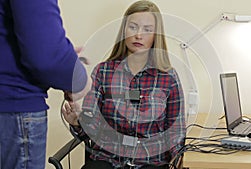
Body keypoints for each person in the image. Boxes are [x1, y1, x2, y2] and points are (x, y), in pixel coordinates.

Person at [62, 0, 186, 168]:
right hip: (108, 160)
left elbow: (175, 133)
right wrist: (77, 121)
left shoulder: (168, 78)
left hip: (150, 162)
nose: (138, 35)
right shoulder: (103, 72)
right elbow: (91, 132)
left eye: (147, 29)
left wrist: (176, 161)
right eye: (133, 27)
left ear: (156, 35)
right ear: (124, 31)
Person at [0, 0, 92, 169]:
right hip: (14, 108)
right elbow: (47, 57)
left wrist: (66, 63)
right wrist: (79, 79)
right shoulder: (105, 72)